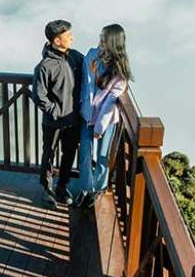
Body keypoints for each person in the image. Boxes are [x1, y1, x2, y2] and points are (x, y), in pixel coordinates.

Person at [74, 24, 132, 209]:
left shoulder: (120, 73)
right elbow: (85, 83)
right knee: (85, 153)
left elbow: (110, 103)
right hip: (87, 114)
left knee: (102, 156)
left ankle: (98, 188)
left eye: (103, 38)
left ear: (113, 42)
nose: (100, 41)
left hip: (105, 120)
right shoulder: (92, 55)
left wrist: (99, 127)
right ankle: (85, 188)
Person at [32, 20, 84, 207]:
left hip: (73, 120)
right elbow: (39, 96)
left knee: (69, 154)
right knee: (49, 154)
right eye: (68, 36)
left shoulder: (76, 57)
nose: (72, 38)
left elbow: (93, 67)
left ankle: (62, 187)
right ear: (57, 40)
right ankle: (47, 189)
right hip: (53, 122)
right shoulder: (44, 66)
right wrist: (55, 111)